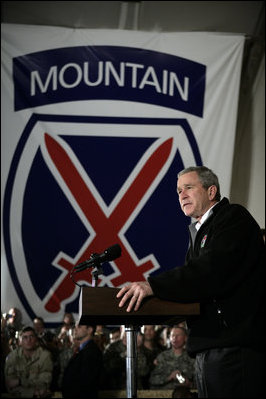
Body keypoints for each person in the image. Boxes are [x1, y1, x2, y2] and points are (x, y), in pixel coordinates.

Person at [117, 166, 265, 398]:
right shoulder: (199, 231)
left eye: (188, 188)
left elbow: (210, 271)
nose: (182, 195)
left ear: (211, 191)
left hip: (233, 347)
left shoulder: (232, 218)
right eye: (178, 191)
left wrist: (153, 286)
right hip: (208, 347)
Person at [4, 326, 53, 397]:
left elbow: (44, 383)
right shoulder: (12, 357)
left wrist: (20, 382)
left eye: (31, 336)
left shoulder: (45, 356)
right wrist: (32, 393)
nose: (28, 340)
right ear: (20, 341)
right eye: (25, 337)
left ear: (36, 339)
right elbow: (10, 385)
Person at [61, 323, 103, 398]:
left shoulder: (92, 352)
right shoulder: (82, 350)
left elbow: (86, 382)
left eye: (79, 327)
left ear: (89, 330)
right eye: (75, 326)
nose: (75, 329)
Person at [149, 326, 195, 390]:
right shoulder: (162, 356)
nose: (174, 338)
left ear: (185, 338)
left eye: (178, 335)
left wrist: (189, 384)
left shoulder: (191, 357)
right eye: (172, 335)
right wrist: (169, 377)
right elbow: (152, 380)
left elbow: (200, 381)